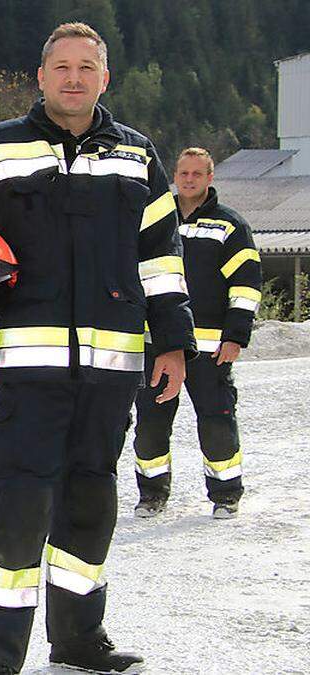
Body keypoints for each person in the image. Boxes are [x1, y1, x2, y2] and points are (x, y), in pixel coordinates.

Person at [0, 23, 196, 675]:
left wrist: (172, 340)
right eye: (62, 66)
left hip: (112, 377)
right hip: (31, 378)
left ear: (105, 78)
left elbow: (163, 258)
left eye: (87, 67)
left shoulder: (138, 158)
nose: (74, 77)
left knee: (91, 507)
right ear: (41, 75)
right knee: (21, 511)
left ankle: (78, 639)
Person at [132, 148, 261, 520]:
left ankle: (226, 493)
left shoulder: (229, 226)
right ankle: (152, 493)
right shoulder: (156, 220)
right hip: (159, 343)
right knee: (151, 425)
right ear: (175, 175)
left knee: (217, 420)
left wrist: (236, 336)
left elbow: (247, 285)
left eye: (196, 174)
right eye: (183, 173)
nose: (188, 180)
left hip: (210, 349)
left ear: (210, 178)